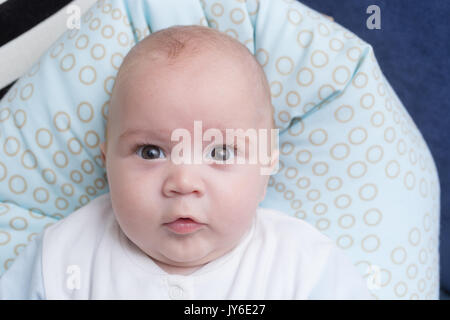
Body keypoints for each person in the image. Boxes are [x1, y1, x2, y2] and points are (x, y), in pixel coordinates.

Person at [0, 25, 372, 299]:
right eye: (150, 152)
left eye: (220, 153)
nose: (183, 182)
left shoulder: (302, 266)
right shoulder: (65, 256)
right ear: (106, 163)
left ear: (265, 167)